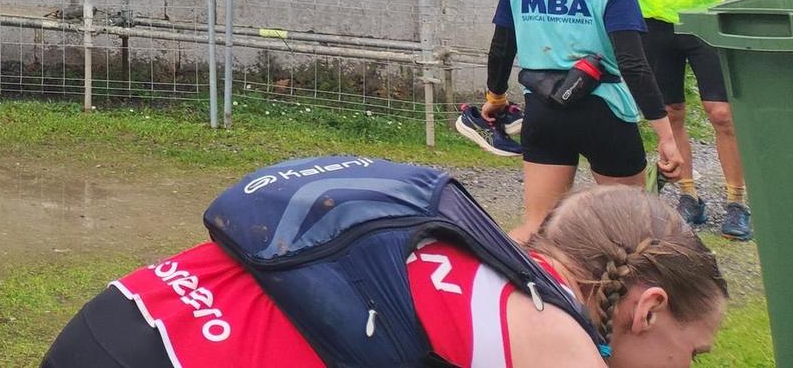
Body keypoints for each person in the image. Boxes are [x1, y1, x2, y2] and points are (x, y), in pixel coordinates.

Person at [42, 180, 727, 367]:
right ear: (648, 307)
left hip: (125, 315)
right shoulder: (558, 344)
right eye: (694, 352)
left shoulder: (481, 253)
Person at [478, 0, 675, 241]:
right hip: (605, 112)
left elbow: (501, 48)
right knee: (631, 232)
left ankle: (500, 288)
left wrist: (495, 98)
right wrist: (666, 137)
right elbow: (633, 64)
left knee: (538, 227)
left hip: (543, 110)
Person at [603, 0, 759, 241]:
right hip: (652, 26)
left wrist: (753, 17)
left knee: (721, 113)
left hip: (701, 24)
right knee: (670, 113)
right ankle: (689, 197)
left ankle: (738, 203)